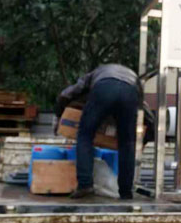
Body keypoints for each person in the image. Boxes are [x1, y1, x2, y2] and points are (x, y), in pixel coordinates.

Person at [54, 64, 154, 200]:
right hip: (129, 94)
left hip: (103, 89)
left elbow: (67, 93)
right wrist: (148, 136)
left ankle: (85, 184)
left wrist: (58, 115)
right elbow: (144, 108)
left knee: (85, 135)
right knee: (127, 144)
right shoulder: (134, 78)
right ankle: (126, 191)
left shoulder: (95, 73)